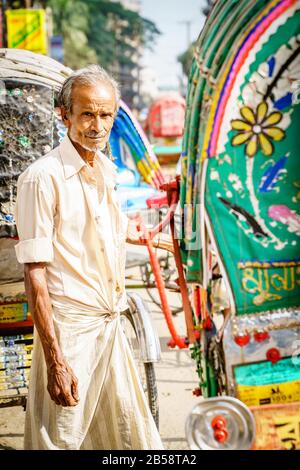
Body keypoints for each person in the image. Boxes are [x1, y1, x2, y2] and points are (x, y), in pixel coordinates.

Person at [14, 65, 163, 450]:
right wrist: (56, 361)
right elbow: (35, 273)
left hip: (110, 325)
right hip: (70, 334)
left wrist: (159, 237)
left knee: (131, 438)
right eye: (87, 114)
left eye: (106, 115)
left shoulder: (107, 171)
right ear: (64, 115)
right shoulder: (41, 177)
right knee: (61, 440)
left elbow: (112, 227)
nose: (97, 125)